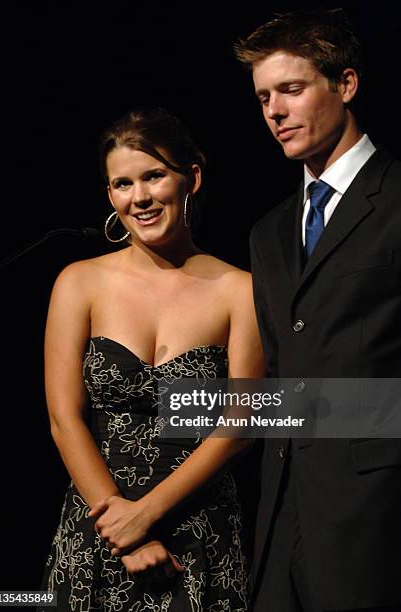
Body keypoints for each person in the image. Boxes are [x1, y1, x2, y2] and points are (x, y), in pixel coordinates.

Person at [39, 107, 265, 611]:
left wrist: (148, 515)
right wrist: (125, 529)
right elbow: (63, 418)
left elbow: (242, 423)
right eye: (122, 183)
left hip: (199, 535)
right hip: (100, 528)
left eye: (154, 176)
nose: (139, 197)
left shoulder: (241, 291)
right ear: (110, 196)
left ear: (192, 179)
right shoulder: (79, 282)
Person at [235, 8, 401, 612]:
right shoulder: (268, 232)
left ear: (346, 84)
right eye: (263, 98)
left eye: (291, 89)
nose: (275, 112)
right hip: (282, 523)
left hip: (380, 523)